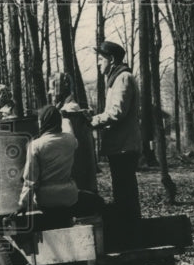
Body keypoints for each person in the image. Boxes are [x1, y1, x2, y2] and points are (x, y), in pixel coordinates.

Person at [90, 41, 141, 242]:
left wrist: (93, 121)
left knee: (126, 193)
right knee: (123, 191)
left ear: (111, 60)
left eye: (101, 59)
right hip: (119, 146)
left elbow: (117, 112)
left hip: (124, 147)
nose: (98, 64)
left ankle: (132, 235)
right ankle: (131, 233)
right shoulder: (116, 78)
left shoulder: (123, 78)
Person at [17, 105, 102, 222]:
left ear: (42, 122)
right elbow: (68, 130)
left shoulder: (35, 145)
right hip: (69, 197)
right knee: (97, 201)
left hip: (46, 201)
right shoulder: (70, 140)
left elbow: (30, 181)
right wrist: (65, 119)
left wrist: (23, 204)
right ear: (58, 122)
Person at [51, 72, 97, 194]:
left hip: (74, 156)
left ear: (60, 88)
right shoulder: (62, 106)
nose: (51, 93)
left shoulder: (70, 108)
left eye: (53, 88)